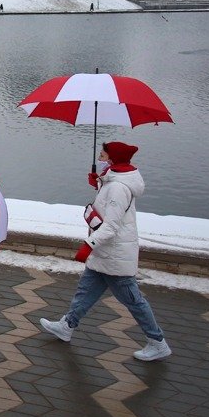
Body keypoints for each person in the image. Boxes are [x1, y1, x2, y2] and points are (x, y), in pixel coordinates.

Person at [40, 141, 171, 361]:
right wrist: (99, 184)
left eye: (104, 152)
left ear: (112, 158)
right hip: (106, 253)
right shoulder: (113, 178)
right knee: (85, 291)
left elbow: (111, 226)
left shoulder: (118, 187)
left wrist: (88, 245)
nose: (100, 154)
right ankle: (67, 326)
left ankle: (157, 342)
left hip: (115, 255)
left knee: (133, 300)